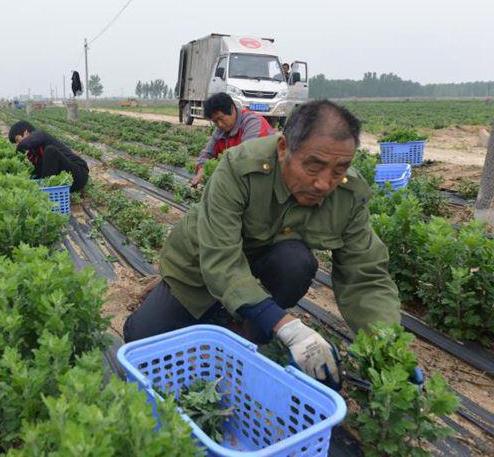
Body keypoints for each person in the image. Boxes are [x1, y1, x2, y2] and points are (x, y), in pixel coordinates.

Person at [123, 100, 402, 390]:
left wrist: (387, 347)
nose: (324, 183)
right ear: (283, 149)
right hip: (202, 264)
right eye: (313, 166)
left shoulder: (348, 194)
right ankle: (215, 306)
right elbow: (220, 259)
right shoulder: (239, 168)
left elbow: (366, 276)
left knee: (296, 263)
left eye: (338, 169)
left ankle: (247, 332)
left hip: (265, 262)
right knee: (142, 338)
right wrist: (289, 327)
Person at [191, 93, 275, 186]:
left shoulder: (252, 123)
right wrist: (202, 170)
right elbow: (206, 154)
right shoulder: (220, 131)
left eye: (221, 118)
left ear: (232, 109)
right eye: (215, 121)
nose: (220, 124)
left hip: (267, 176)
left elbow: (245, 156)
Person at [9, 120, 89, 192]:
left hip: (79, 174)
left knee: (50, 151)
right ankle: (47, 192)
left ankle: (46, 192)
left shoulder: (40, 134)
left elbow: (25, 144)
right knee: (37, 172)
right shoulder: (33, 153)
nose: (18, 143)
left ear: (26, 132)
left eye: (17, 139)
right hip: (66, 182)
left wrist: (16, 156)